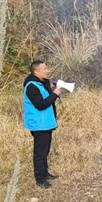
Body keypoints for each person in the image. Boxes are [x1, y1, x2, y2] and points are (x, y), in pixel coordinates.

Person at [23, 61, 61, 189]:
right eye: (44, 69)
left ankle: (45, 173)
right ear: (36, 72)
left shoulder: (41, 83)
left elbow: (47, 98)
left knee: (45, 151)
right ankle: (40, 180)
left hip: (46, 123)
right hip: (39, 125)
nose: (47, 71)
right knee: (40, 153)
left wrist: (48, 85)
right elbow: (41, 104)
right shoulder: (31, 86)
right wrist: (55, 94)